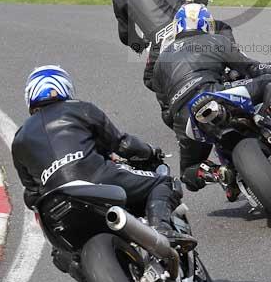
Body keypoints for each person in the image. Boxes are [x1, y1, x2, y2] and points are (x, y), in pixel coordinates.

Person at [12, 64, 192, 248]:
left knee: (60, 253)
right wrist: (150, 152)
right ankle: (160, 229)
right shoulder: (80, 109)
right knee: (164, 182)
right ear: (65, 87)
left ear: (30, 97)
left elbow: (31, 195)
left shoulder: (19, 139)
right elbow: (122, 144)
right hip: (97, 178)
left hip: (55, 204)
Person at [152, 3, 271, 193]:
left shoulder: (159, 62)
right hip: (214, 92)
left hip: (184, 116)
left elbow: (166, 112)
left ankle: (217, 173)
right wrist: (266, 68)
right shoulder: (215, 40)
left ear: (177, 27)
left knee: (188, 174)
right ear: (207, 24)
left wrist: (181, 128)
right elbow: (249, 68)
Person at [112, 0, 234, 121]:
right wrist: (197, 11)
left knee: (151, 80)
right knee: (223, 29)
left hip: (160, 44)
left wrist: (142, 46)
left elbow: (125, 35)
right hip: (192, 24)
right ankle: (237, 67)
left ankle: (175, 115)